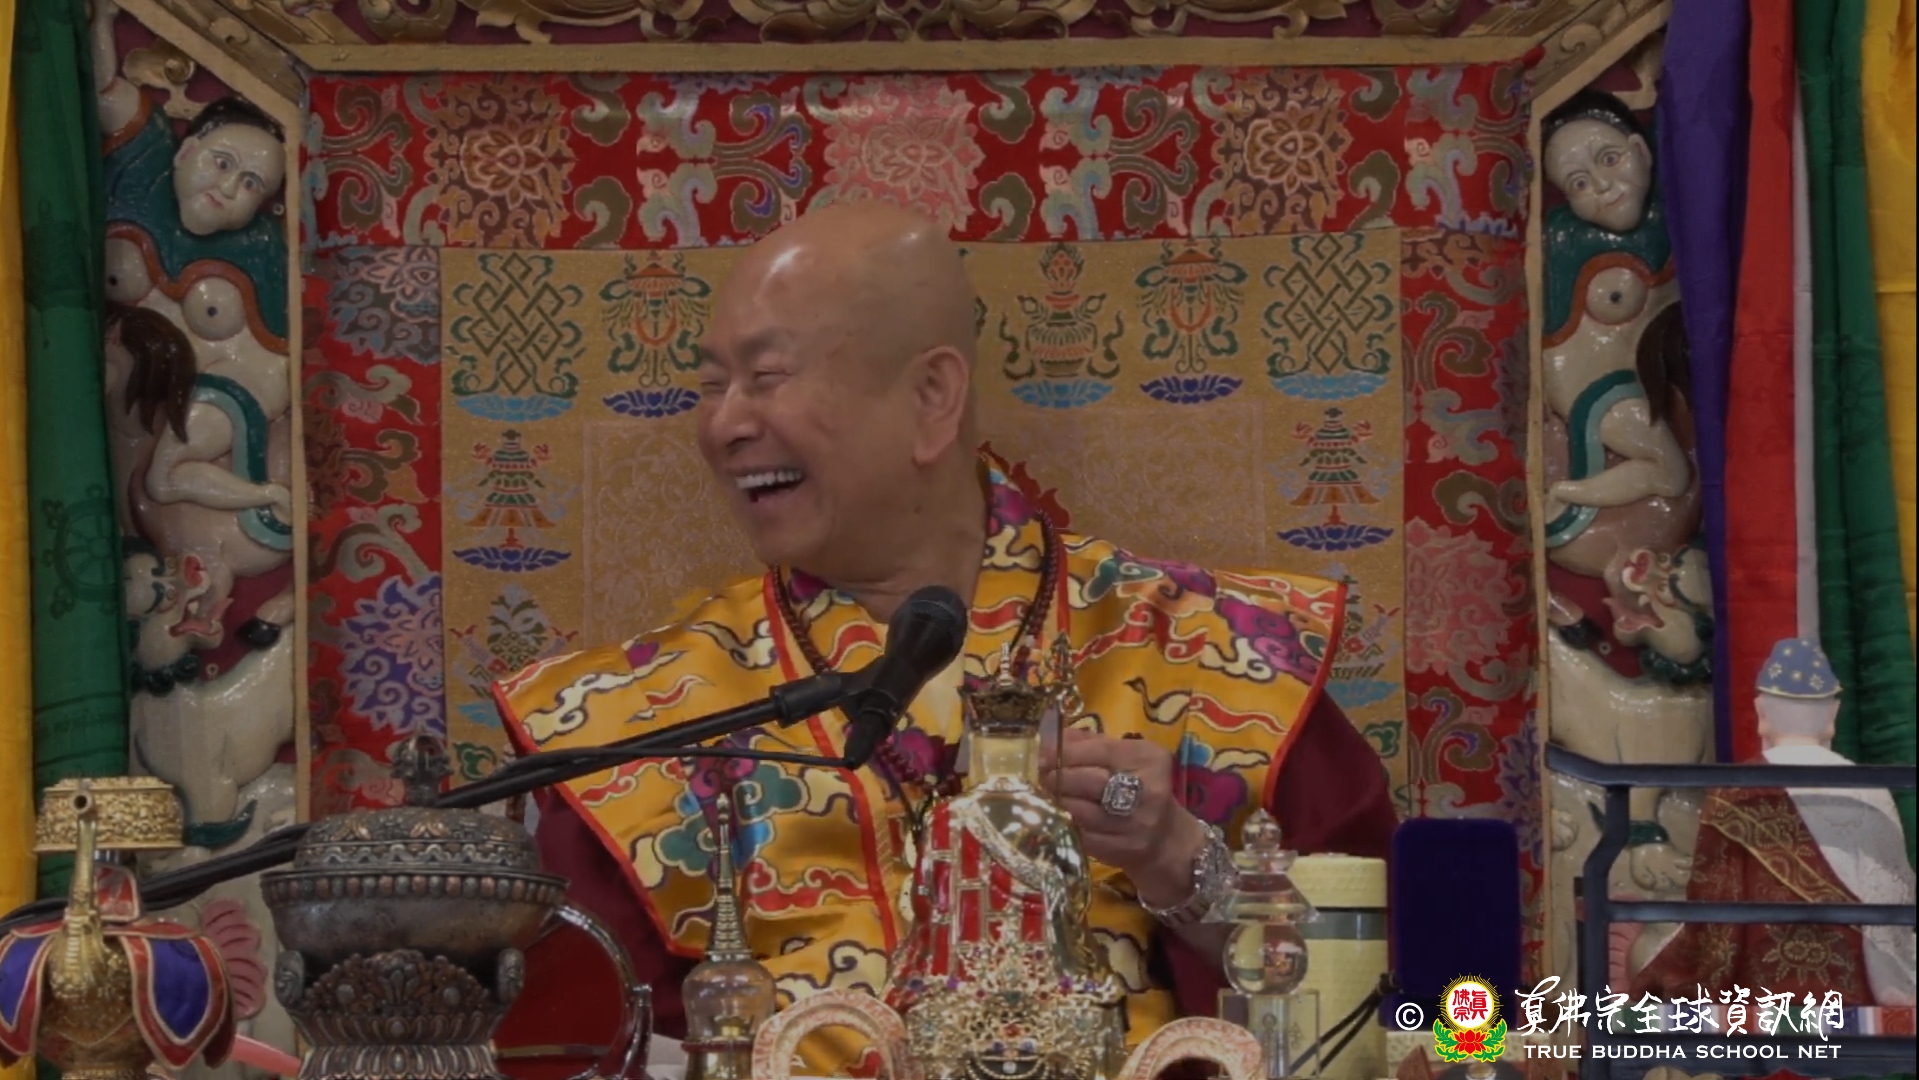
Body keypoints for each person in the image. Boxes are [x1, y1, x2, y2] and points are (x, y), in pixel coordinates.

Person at [496, 202, 1398, 1075]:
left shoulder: (1212, 655)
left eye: (765, 378)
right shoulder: (637, 727)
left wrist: (1179, 861)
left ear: (932, 397)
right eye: (709, 386)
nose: (724, 425)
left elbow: (1407, 1013)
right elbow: (575, 1044)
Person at [1635, 638, 1917, 1007]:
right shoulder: (1872, 791)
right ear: (1832, 715)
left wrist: (1673, 975)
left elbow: (1715, 917)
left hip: (1761, 993)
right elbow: (1894, 904)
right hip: (1855, 991)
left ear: (1761, 713)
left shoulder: (1737, 792)